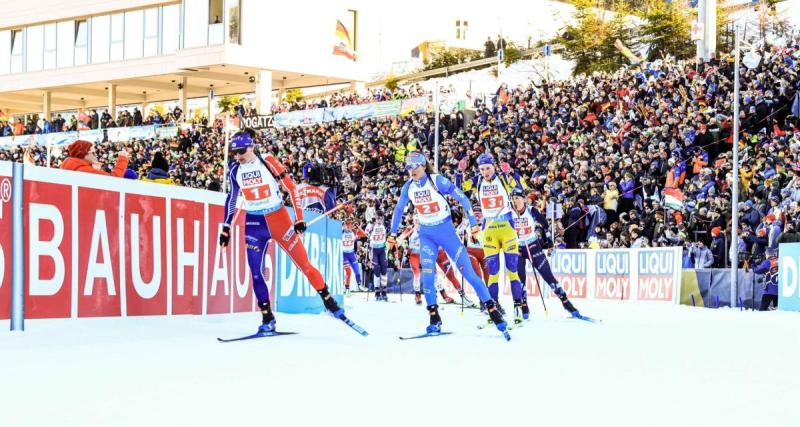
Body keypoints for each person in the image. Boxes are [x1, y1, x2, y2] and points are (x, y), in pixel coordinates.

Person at [219, 130, 347, 335]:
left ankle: (329, 302)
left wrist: (299, 218)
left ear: (251, 147)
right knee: (255, 271)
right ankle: (267, 317)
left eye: (241, 151)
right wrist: (226, 228)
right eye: (234, 153)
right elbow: (232, 198)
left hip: (278, 218)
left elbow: (291, 188)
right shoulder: (235, 169)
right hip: (253, 222)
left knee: (303, 264)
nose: (238, 156)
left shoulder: (267, 161)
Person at [388, 151, 507, 335]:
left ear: (422, 165)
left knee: (468, 274)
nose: (411, 171)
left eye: (414, 167)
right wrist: (392, 234)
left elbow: (463, 199)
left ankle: (493, 311)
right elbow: (398, 209)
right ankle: (434, 318)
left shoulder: (437, 181)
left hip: (446, 232)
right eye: (408, 168)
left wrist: (474, 223)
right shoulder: (408, 187)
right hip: (427, 235)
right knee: (428, 276)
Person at [457, 153, 525, 314]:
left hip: (507, 227)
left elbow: (521, 188)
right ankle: (493, 307)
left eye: (487, 168)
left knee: (512, 271)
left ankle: (517, 307)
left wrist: (512, 172)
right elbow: (459, 191)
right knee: (493, 273)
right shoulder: (477, 181)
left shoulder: (502, 178)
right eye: (482, 169)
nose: (485, 172)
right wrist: (459, 173)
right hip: (489, 230)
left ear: (493, 166)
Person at [511, 188, 583, 320]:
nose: (515, 201)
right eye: (513, 199)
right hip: (518, 249)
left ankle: (568, 305)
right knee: (520, 281)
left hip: (533, 247)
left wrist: (550, 243)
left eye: (517, 198)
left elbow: (545, 226)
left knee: (549, 277)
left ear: (524, 199)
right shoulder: (509, 213)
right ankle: (524, 306)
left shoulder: (531, 211)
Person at [60, 140, 129, 177]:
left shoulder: (70, 165)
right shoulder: (84, 170)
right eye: (93, 153)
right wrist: (123, 159)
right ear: (83, 153)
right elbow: (115, 180)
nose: (95, 155)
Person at [365, 211, 390, 301]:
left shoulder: (386, 224)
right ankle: (377, 291)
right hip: (374, 250)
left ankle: (384, 291)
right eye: (377, 217)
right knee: (376, 269)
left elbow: (391, 232)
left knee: (384, 270)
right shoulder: (371, 225)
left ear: (383, 218)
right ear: (375, 218)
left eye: (380, 217)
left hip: (382, 249)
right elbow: (365, 233)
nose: (379, 219)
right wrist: (369, 229)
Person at [342, 219, 366, 295]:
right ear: (344, 225)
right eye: (347, 225)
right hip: (344, 254)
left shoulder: (353, 232)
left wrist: (358, 227)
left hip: (351, 254)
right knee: (348, 272)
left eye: (350, 225)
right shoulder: (341, 232)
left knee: (357, 272)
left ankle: (359, 285)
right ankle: (347, 289)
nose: (348, 227)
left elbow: (364, 235)